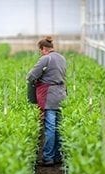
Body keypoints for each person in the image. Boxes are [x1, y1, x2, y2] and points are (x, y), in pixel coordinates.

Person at [26, 36, 67, 166]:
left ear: (43, 49)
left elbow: (31, 76)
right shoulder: (62, 58)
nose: (40, 53)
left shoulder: (46, 58)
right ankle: (57, 156)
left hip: (49, 95)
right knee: (59, 127)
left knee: (50, 127)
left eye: (40, 50)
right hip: (61, 94)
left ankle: (48, 157)